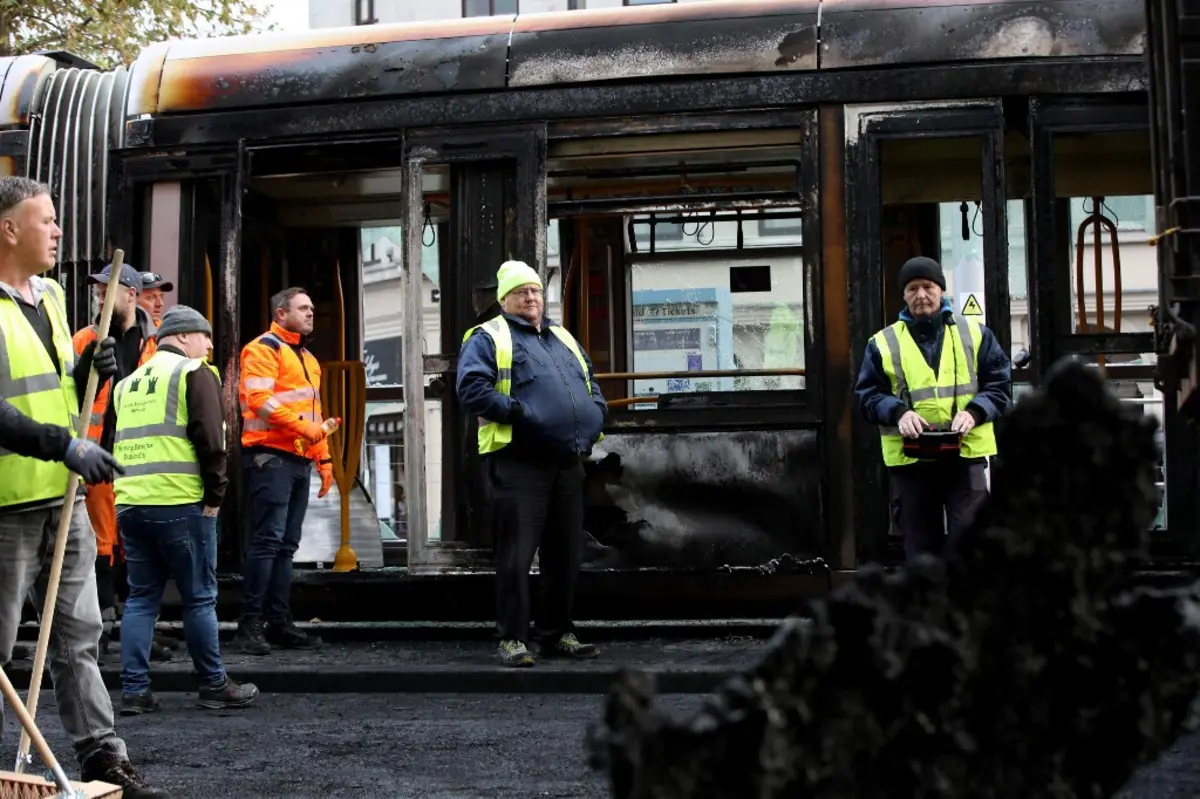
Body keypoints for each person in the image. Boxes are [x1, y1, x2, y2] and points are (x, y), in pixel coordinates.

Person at [0, 176, 168, 797]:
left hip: (59, 496)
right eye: (46, 220)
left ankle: (102, 753)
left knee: (78, 633)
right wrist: (64, 445)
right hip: (6, 503)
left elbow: (52, 393)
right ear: (9, 229)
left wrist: (84, 370)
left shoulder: (48, 297)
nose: (58, 230)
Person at [456, 260, 606, 667]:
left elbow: (591, 384)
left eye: (536, 290)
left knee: (565, 554)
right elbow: (471, 390)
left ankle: (556, 633)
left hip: (566, 462)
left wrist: (595, 417)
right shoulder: (488, 337)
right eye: (521, 291)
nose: (531, 297)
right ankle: (512, 639)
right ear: (504, 298)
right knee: (516, 556)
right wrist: (522, 413)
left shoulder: (562, 337)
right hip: (519, 462)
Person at [112, 305, 258, 714]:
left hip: (131, 503)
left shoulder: (129, 383)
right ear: (181, 337)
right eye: (204, 336)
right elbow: (212, 440)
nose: (209, 345)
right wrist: (215, 497)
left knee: (142, 599)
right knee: (198, 598)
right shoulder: (194, 373)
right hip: (180, 501)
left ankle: (135, 692)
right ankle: (213, 685)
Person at [853, 256, 1012, 559]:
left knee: (971, 541)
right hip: (912, 460)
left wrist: (974, 412)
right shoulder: (882, 343)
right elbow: (867, 395)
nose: (921, 295)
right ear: (903, 295)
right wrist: (899, 413)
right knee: (919, 545)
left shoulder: (976, 334)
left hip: (965, 456)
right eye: (912, 289)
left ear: (942, 290)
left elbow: (1000, 386)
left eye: (928, 286)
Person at [233, 287, 330, 655]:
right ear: (280, 313)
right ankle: (251, 624)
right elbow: (259, 401)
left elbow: (315, 415)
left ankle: (277, 622)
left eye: (311, 308)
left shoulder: (306, 357)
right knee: (269, 542)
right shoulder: (263, 349)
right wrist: (304, 431)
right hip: (270, 457)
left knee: (285, 546)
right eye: (302, 308)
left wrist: (323, 460)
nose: (310, 313)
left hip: (295, 459)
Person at [73, 262, 159, 657]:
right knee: (101, 544)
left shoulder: (150, 346)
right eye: (97, 289)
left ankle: (131, 630)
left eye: (107, 288)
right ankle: (104, 627)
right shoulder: (84, 341)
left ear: (128, 294)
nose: (98, 294)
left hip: (137, 460)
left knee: (129, 544)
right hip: (96, 461)